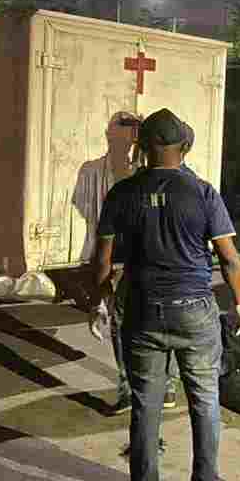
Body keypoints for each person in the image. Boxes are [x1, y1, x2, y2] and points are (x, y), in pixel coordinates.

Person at [92, 108, 240, 481]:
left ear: (143, 148)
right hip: (194, 310)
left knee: (146, 404)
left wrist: (100, 300)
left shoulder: (122, 193)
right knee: (205, 399)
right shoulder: (202, 192)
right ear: (184, 148)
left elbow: (103, 261)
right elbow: (230, 259)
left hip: (142, 310)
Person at [73, 111, 148, 415]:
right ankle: (128, 386)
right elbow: (86, 210)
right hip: (114, 256)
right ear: (109, 136)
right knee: (120, 322)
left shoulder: (147, 174)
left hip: (140, 258)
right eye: (123, 132)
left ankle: (156, 384)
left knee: (145, 322)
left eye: (134, 133)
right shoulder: (91, 170)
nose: (129, 139)